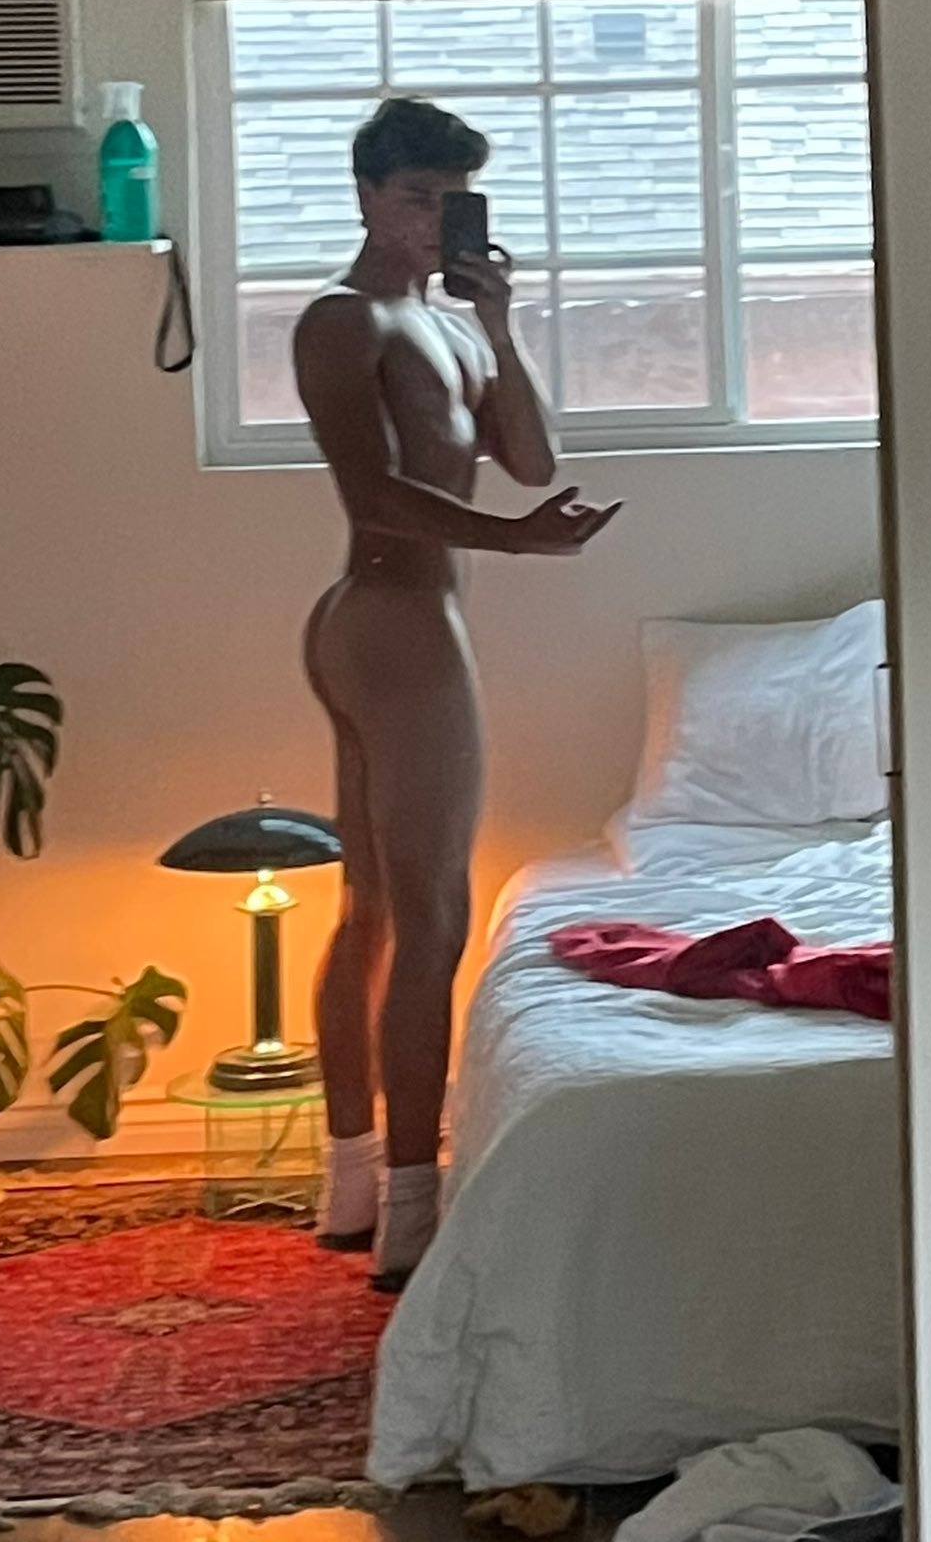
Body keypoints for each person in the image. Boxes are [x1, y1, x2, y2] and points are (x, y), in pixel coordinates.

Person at [294, 97, 620, 1287]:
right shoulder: (342, 320)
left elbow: (531, 458)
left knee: (376, 906)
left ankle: (353, 1186)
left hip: (394, 618)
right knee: (426, 916)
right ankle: (408, 1207)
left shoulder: (450, 325)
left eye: (450, 198)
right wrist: (518, 540)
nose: (434, 219)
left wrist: (500, 319)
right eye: (414, 197)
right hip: (392, 619)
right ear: (367, 196)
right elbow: (371, 494)